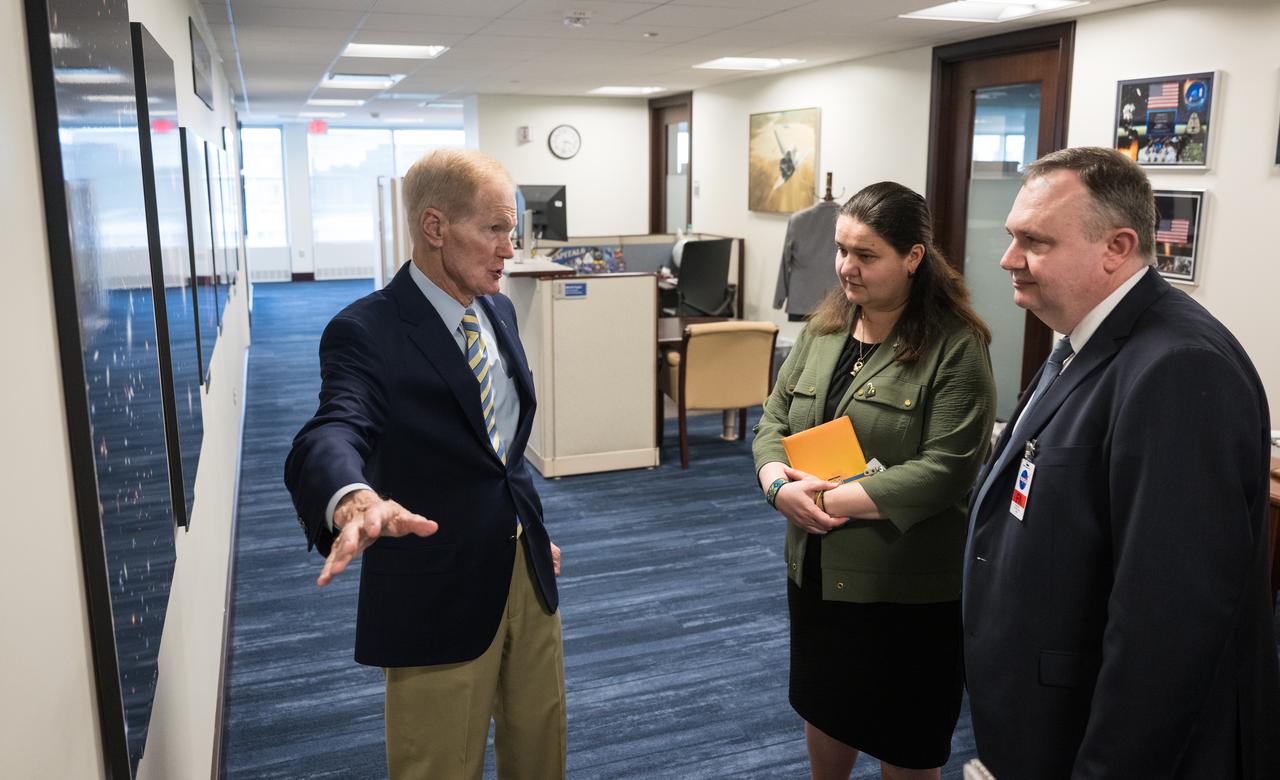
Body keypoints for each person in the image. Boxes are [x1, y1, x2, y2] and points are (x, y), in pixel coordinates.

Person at [963, 147, 1280, 778]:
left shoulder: (1178, 367)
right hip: (1042, 714)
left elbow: (1167, 623)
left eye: (1035, 241)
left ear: (1117, 247)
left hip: (1103, 740)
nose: (1008, 259)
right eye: (1011, 237)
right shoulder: (1083, 338)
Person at [284, 148, 566, 779]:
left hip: (525, 569)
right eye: (494, 230)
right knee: (439, 765)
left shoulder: (498, 308)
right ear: (435, 227)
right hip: (438, 587)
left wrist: (526, 527)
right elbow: (333, 429)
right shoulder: (366, 330)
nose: (508, 249)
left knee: (541, 753)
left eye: (511, 232)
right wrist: (356, 500)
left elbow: (501, 450)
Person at [754, 181, 997, 780]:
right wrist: (775, 484)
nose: (846, 268)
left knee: (905, 735)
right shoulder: (822, 330)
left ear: (913, 257)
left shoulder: (956, 347)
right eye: (842, 250)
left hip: (903, 586)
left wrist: (824, 499)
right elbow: (772, 421)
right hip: (815, 571)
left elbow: (946, 469)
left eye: (866, 256)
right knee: (824, 706)